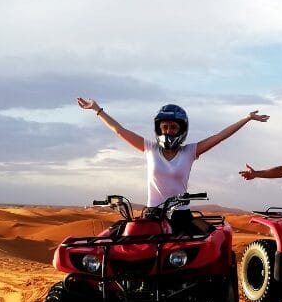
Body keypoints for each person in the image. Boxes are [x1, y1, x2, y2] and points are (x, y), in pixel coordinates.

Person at [78, 97, 269, 232]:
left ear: (181, 130)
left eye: (173, 127)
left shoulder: (190, 152)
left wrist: (247, 118)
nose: (168, 131)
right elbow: (119, 130)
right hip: (152, 215)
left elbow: (220, 136)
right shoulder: (149, 148)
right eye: (165, 127)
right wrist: (97, 110)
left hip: (181, 216)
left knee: (205, 249)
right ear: (159, 128)